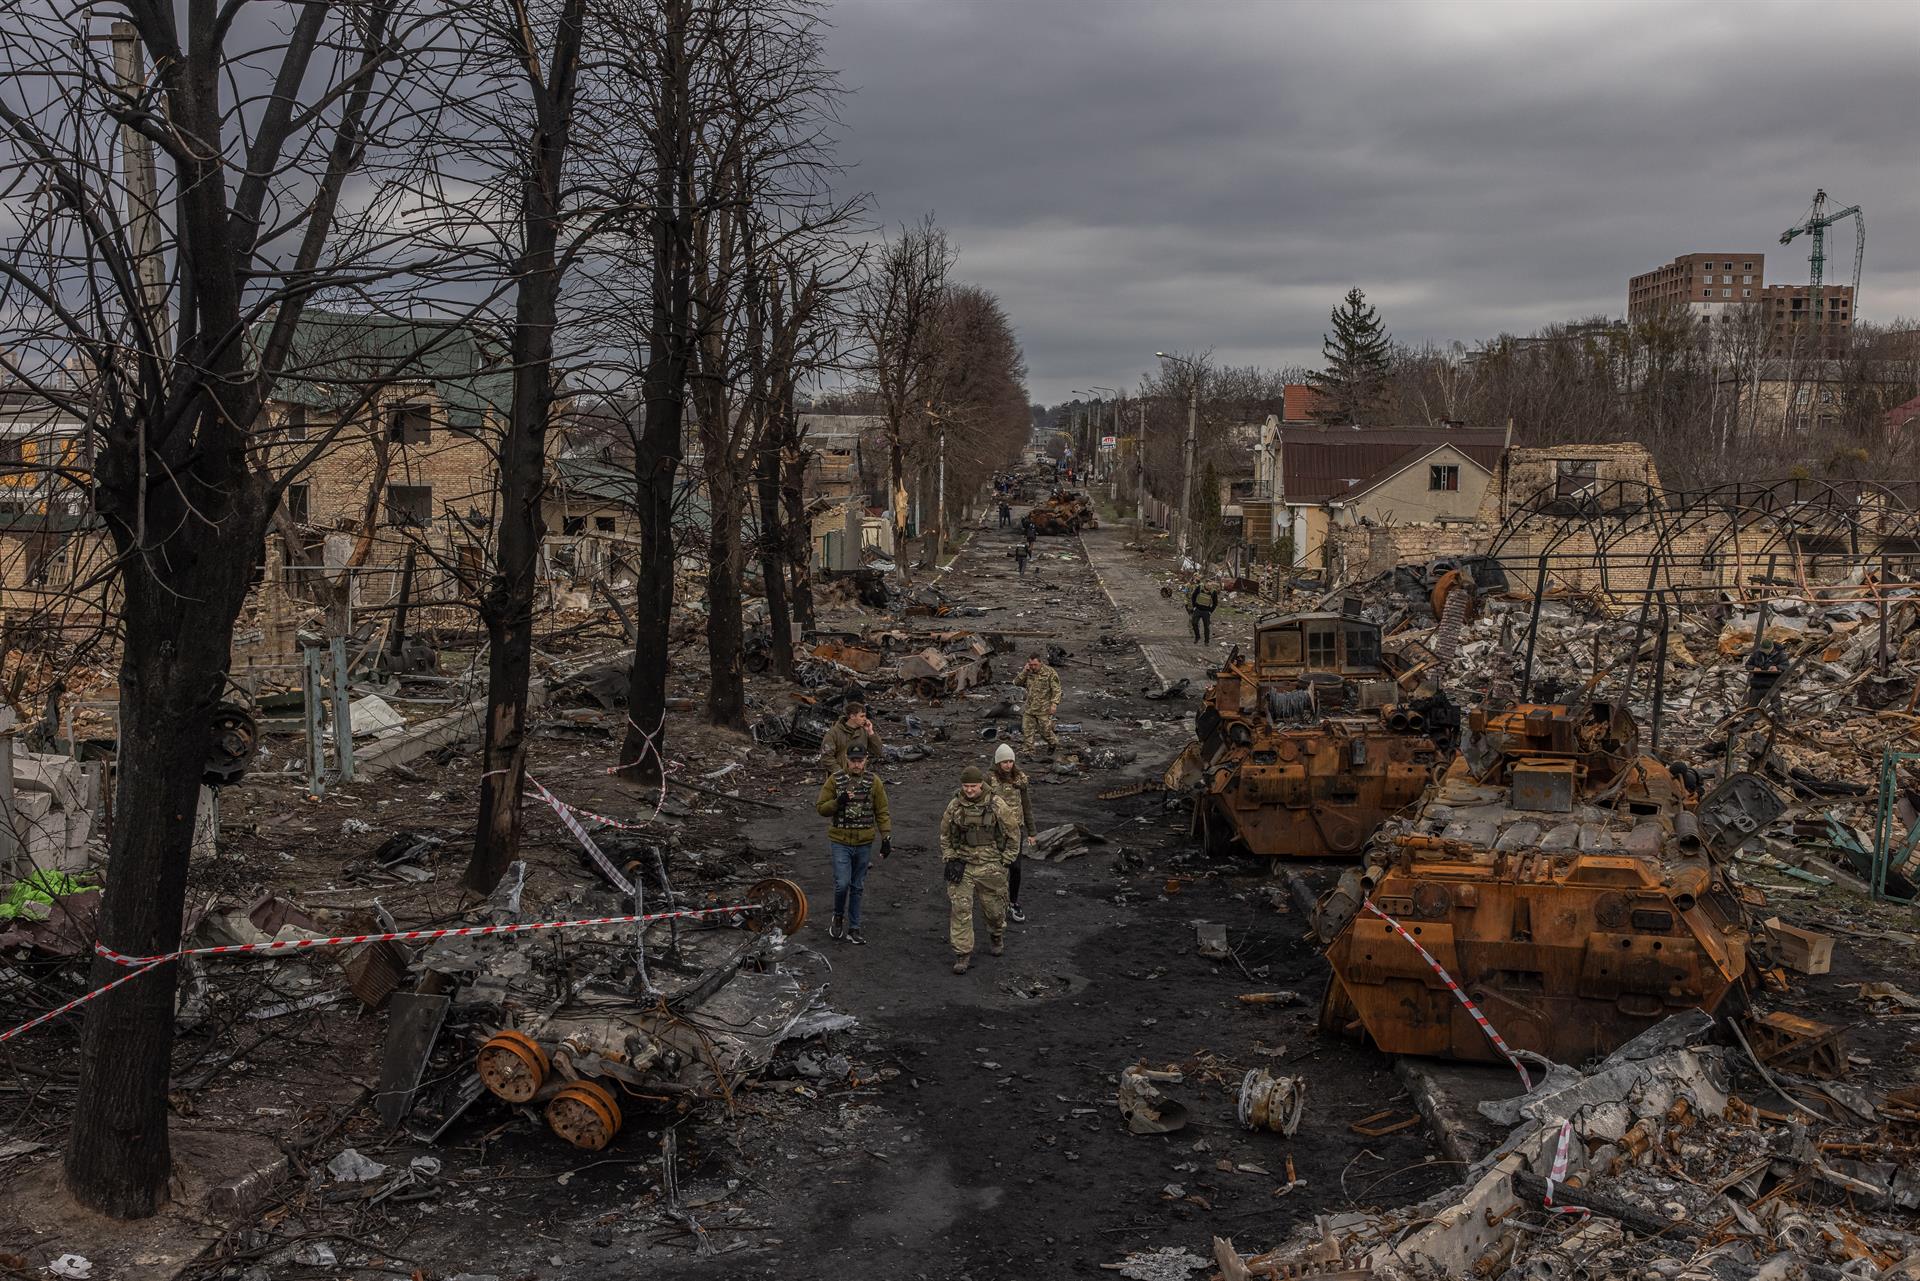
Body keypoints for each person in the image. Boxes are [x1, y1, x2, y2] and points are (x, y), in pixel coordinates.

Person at [940, 765, 1018, 974]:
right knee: (960, 910)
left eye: (973, 786)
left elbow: (1013, 832)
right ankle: (962, 954)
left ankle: (996, 934)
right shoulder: (955, 805)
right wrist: (949, 856)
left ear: (981, 784)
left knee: (993, 910)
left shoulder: (996, 804)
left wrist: (1006, 860)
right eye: (965, 786)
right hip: (963, 866)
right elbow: (945, 834)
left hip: (991, 866)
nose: (969, 790)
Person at [815, 744, 890, 944]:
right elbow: (821, 808)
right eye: (853, 760)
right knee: (842, 884)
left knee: (857, 886)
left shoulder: (874, 782)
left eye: (860, 760)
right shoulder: (835, 780)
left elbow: (882, 811)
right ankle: (838, 915)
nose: (857, 764)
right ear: (847, 760)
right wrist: (838, 802)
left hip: (864, 841)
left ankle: (854, 928)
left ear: (866, 760)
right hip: (840, 840)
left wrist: (886, 838)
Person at [986, 743, 1035, 923]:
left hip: (1016, 830)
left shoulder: (1019, 780)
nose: (1008, 765)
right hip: (995, 830)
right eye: (1004, 761)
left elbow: (1026, 805)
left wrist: (1032, 831)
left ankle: (1013, 902)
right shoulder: (989, 780)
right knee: (996, 867)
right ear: (998, 762)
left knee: (1015, 868)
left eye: (1010, 761)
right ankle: (996, 901)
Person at [1015, 654, 1061, 755]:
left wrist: (1054, 704)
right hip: (1029, 708)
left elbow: (1056, 690)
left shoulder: (1049, 672)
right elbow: (1016, 683)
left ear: (1041, 663)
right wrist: (1024, 672)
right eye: (1031, 665)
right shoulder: (1028, 672)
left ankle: (1053, 743)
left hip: (1044, 709)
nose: (1033, 667)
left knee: (1045, 731)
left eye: (1035, 664)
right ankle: (1029, 752)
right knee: (1027, 731)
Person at [820, 701, 883, 773]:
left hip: (860, 775)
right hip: (839, 777)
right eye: (862, 716)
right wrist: (839, 772)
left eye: (865, 716)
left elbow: (878, 752)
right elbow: (826, 757)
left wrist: (870, 732)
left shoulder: (865, 731)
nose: (865, 719)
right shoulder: (833, 733)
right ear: (852, 716)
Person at [1188, 579, 1221, 645]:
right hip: (1198, 609)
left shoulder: (1213, 592)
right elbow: (1193, 596)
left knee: (1206, 626)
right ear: (1205, 584)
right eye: (1208, 585)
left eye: (1211, 585)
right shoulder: (1199, 588)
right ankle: (1197, 637)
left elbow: (1215, 603)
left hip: (1206, 611)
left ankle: (1206, 641)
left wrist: (1210, 611)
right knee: (1194, 623)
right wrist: (1194, 606)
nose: (1209, 586)